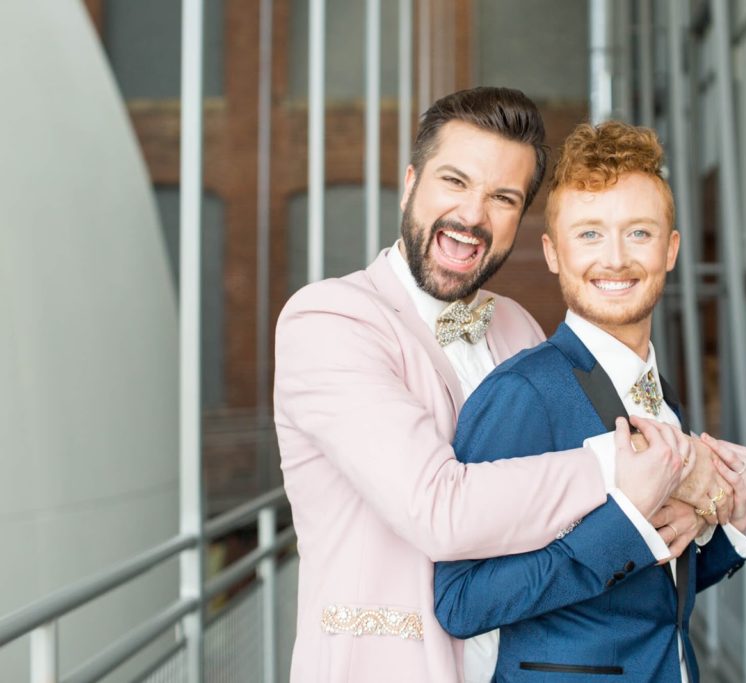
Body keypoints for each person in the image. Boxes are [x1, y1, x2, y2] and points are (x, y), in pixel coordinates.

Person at [274, 88, 704, 682]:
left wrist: (710, 496)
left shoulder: (517, 325)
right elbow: (436, 508)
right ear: (409, 185)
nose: (473, 216)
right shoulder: (330, 320)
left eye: (502, 197)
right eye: (454, 181)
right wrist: (616, 463)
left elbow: (569, 519)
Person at [433, 121, 746, 682]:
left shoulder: (660, 392)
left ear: (671, 249)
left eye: (638, 233)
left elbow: (648, 595)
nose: (614, 259)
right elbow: (463, 603)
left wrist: (733, 517)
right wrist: (626, 521)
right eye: (589, 234)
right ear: (553, 252)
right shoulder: (520, 396)